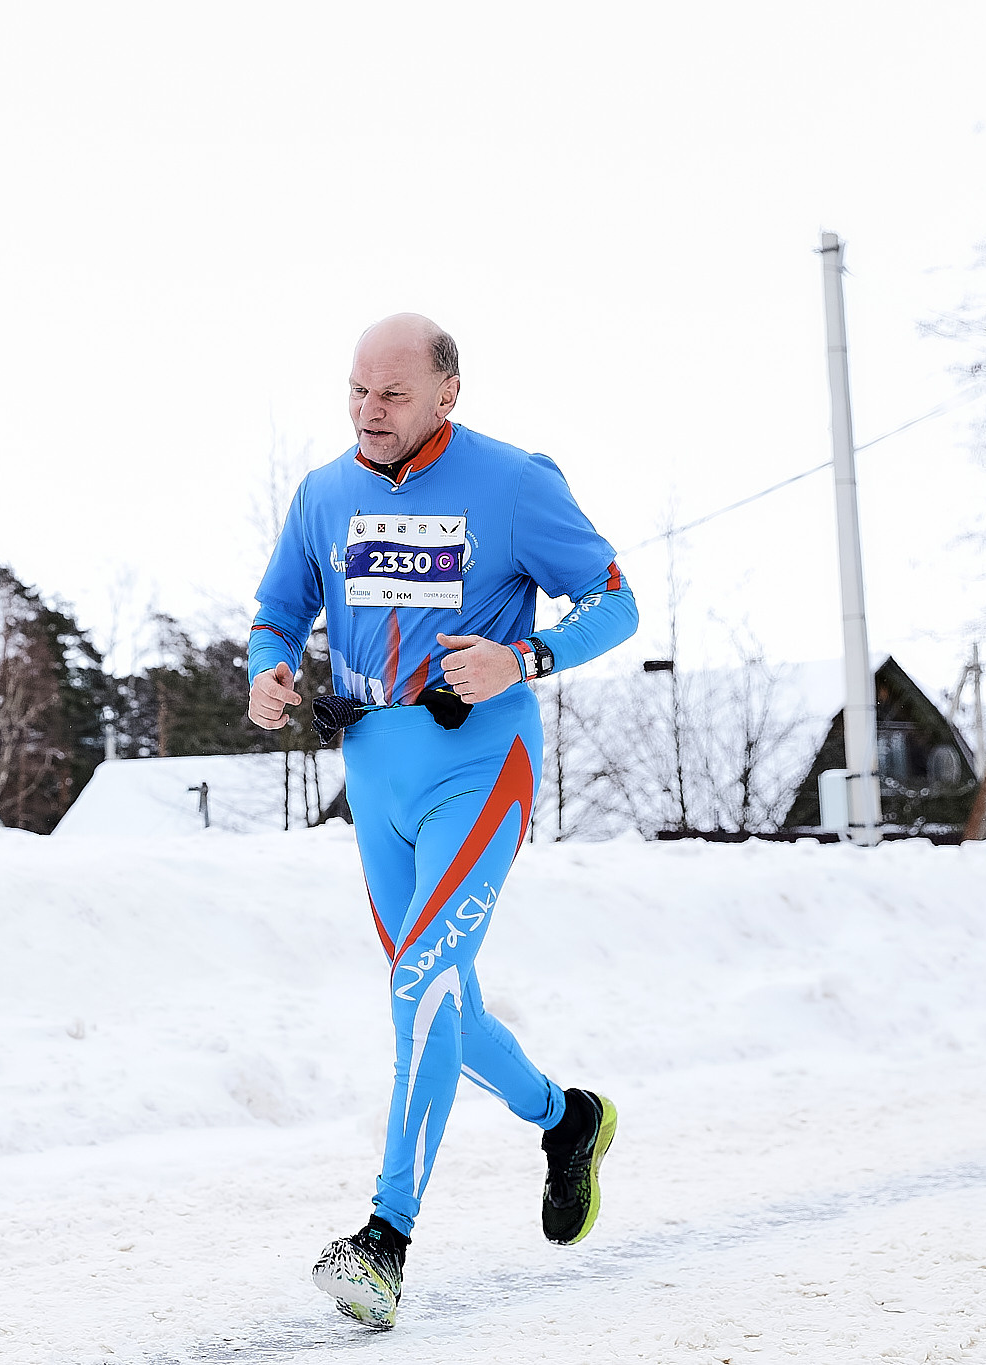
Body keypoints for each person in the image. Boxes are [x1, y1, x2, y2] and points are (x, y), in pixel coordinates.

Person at [247, 314, 638, 1328]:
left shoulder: (512, 484)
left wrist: (528, 657)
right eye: (355, 392)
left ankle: (383, 1240)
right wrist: (266, 671)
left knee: (419, 982)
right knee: (435, 999)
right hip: (374, 768)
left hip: (481, 762)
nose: (367, 414)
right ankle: (565, 1119)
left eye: (391, 396)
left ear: (445, 395)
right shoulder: (322, 493)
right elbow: (274, 613)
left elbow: (615, 602)